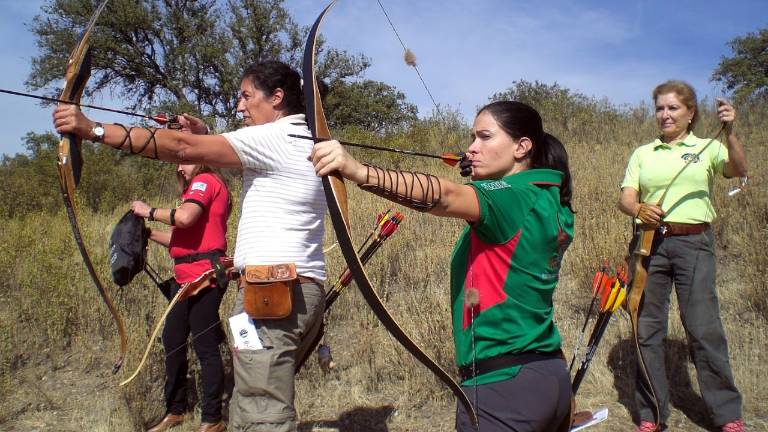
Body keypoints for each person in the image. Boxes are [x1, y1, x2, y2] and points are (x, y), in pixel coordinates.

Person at [53, 60, 327, 432]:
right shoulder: (299, 140)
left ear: (277, 98)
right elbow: (215, 151)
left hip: (274, 291)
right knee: (252, 400)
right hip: (277, 291)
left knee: (264, 413)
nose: (239, 106)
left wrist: (92, 129)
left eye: (246, 96)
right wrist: (206, 138)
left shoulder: (277, 138)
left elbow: (181, 147)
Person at [311, 100, 575, 432]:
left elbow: (447, 196)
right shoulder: (551, 200)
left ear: (522, 147)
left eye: (485, 137)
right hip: (549, 374)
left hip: (503, 388)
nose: (472, 148)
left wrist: (359, 171)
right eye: (472, 138)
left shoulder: (513, 196)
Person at [618, 80, 748, 432]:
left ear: (691, 113)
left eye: (673, 108)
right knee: (646, 329)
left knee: (704, 329)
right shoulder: (643, 153)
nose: (665, 114)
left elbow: (737, 169)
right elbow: (625, 198)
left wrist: (731, 132)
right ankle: (651, 415)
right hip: (649, 246)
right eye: (660, 108)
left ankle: (726, 414)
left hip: (694, 244)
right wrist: (639, 208)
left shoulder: (708, 147)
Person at [133, 115, 231, 432]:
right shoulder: (197, 188)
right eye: (177, 163)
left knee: (204, 346)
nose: (179, 167)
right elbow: (182, 238)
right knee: (173, 340)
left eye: (183, 160)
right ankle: (175, 410)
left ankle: (212, 418)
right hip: (185, 277)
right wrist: (147, 235)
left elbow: (185, 218)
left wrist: (147, 211)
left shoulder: (206, 181)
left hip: (204, 278)